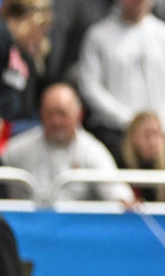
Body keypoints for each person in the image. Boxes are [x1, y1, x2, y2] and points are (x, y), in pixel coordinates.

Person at [75, 0, 165, 153]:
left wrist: (163, 125)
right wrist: (130, 121)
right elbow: (90, 86)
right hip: (113, 131)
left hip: (161, 133)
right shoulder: (98, 35)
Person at [2, 83, 133, 202]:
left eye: (62, 114)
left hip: (75, 226)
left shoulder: (92, 151)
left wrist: (123, 200)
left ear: (78, 114)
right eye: (50, 114)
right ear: (41, 114)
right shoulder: (19, 148)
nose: (56, 121)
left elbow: (115, 190)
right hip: (25, 225)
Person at [0, 0, 53, 130]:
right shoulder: (3, 37)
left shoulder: (25, 53)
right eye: (40, 29)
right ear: (28, 21)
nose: (40, 37)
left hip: (21, 124)